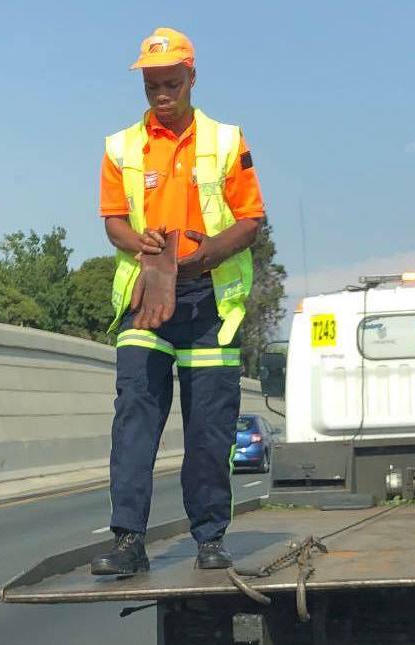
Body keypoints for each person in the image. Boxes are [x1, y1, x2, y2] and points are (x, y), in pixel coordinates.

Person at [91, 27, 264, 577]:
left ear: (192, 77)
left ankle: (209, 538)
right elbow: (113, 220)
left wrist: (205, 254)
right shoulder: (120, 148)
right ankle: (127, 541)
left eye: (170, 83)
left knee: (209, 429)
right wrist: (132, 241)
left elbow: (251, 220)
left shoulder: (227, 141)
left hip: (208, 300)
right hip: (146, 297)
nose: (161, 94)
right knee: (135, 421)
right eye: (151, 85)